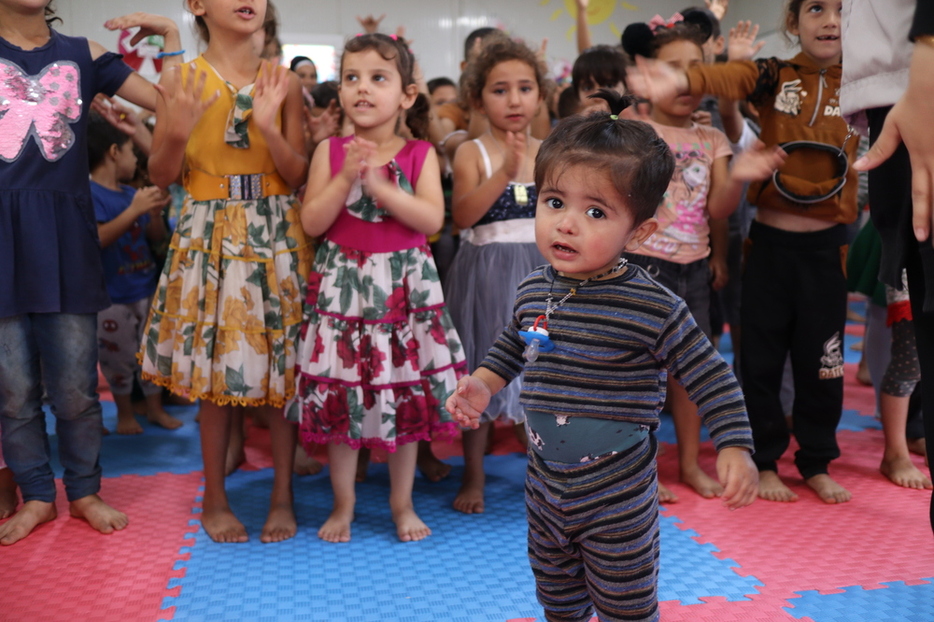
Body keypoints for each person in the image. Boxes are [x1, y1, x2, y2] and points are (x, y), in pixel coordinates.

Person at [446, 91, 758, 622]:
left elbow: (710, 376)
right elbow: (514, 343)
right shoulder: (532, 287)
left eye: (595, 211)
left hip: (618, 496)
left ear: (639, 232)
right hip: (545, 487)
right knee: (559, 602)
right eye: (554, 202)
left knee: (625, 607)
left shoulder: (653, 306)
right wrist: (483, 382)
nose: (566, 224)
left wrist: (733, 444)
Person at [628, 0, 858, 504]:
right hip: (770, 243)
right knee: (760, 359)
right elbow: (732, 80)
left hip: (827, 246)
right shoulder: (773, 75)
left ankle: (817, 460)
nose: (832, 20)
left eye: (844, 9)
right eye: (817, 9)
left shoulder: (865, 83)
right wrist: (692, 77)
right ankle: (765, 459)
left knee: (824, 360)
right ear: (794, 22)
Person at [0, 4, 181, 546]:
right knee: (13, 391)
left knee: (77, 387)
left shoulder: (85, 55)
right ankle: (36, 495)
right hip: (3, 238)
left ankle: (82, 491)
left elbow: (172, 102)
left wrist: (171, 36)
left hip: (65, 239)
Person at [142, 0, 311, 544]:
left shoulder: (281, 79)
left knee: (281, 372)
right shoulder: (182, 78)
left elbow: (297, 171)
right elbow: (163, 174)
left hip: (274, 230)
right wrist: (175, 131)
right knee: (216, 379)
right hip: (206, 231)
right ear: (197, 5)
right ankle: (214, 496)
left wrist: (270, 127)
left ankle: (282, 494)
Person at [288, 33, 466, 543]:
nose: (362, 89)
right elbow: (314, 221)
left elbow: (432, 217)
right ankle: (343, 504)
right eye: (351, 78)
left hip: (403, 291)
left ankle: (400, 503)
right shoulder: (330, 149)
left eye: (377, 78)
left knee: (403, 395)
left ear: (407, 96)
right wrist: (345, 178)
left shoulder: (419, 153)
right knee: (345, 398)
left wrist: (384, 188)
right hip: (345, 290)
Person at [619, 15, 783, 503]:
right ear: (650, 74)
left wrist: (739, 177)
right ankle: (640, 467)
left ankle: (690, 462)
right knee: (638, 372)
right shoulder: (634, 129)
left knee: (689, 370)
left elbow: (718, 210)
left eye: (697, 68)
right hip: (642, 265)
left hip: (692, 265)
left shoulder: (712, 138)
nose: (687, 81)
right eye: (675, 69)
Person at [444, 38, 548, 514]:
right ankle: (473, 473)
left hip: (543, 271)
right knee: (485, 365)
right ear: (478, 98)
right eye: (500, 90)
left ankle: (547, 471)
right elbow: (463, 216)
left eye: (525, 88)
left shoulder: (551, 151)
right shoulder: (472, 153)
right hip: (487, 272)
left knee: (546, 370)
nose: (513, 99)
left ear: (540, 96)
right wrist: (503, 172)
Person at [842, 0, 934, 515]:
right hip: (903, 96)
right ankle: (900, 441)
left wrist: (926, 63)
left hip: (915, 88)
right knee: (907, 340)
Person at [87, 112, 183, 435]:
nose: (134, 159)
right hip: (112, 297)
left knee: (151, 356)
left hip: (144, 289)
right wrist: (134, 211)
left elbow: (153, 237)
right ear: (114, 153)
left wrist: (153, 214)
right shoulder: (91, 195)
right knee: (117, 359)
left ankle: (154, 409)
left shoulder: (132, 194)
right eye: (130, 150)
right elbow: (97, 239)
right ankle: (125, 414)